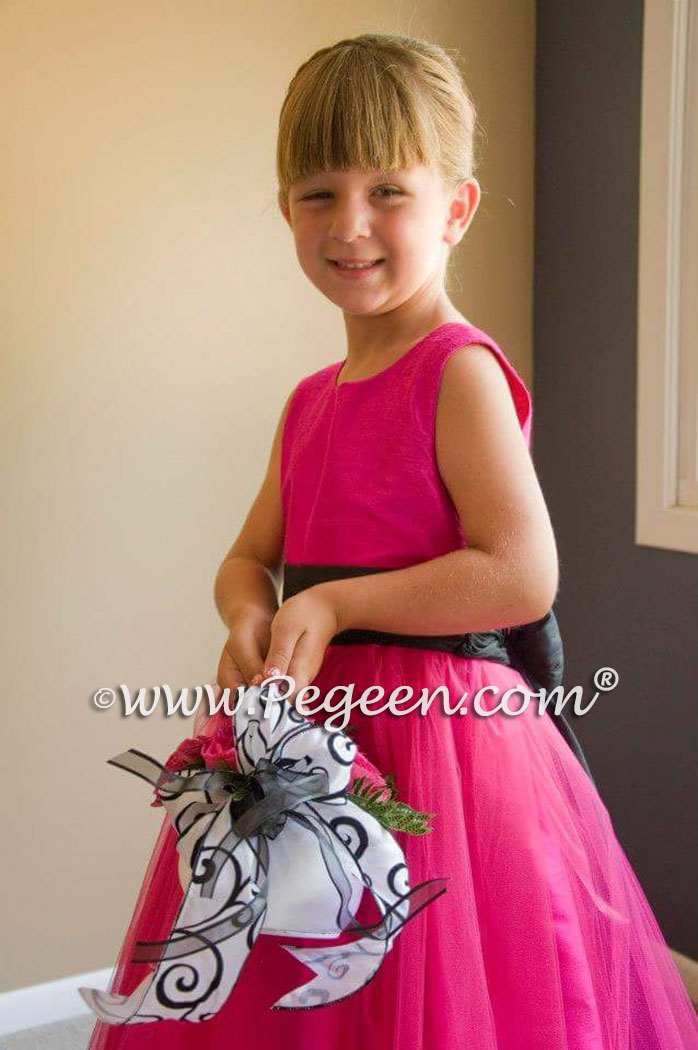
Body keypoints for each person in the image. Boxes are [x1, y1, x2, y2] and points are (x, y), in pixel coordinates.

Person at [87, 32, 698, 1050]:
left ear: (454, 207)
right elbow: (249, 558)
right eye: (318, 193)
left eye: (387, 191)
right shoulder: (307, 403)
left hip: (448, 754)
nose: (350, 224)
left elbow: (516, 573)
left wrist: (332, 603)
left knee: (438, 987)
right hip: (309, 748)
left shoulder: (454, 371)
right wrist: (250, 616)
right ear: (284, 210)